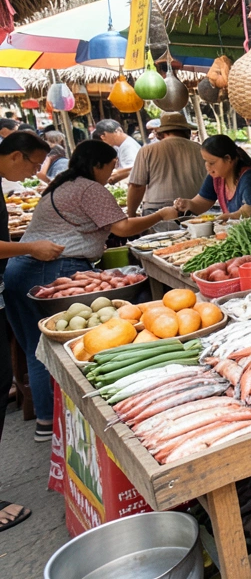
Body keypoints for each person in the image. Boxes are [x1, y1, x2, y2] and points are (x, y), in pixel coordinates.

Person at [4, 141, 177, 442]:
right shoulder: (87, 188)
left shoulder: (63, 185)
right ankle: (69, 423)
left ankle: (48, 423)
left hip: (20, 270)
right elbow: (122, 229)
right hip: (53, 269)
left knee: (39, 347)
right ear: (97, 165)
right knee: (62, 349)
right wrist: (160, 215)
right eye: (110, 168)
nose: (111, 175)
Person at [0, 132, 64, 493]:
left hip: (7, 281)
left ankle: (46, 424)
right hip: (18, 272)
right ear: (15, 157)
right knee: (36, 351)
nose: (34, 173)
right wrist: (30, 247)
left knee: (27, 352)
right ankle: (49, 422)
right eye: (33, 164)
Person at [125, 113, 208, 221]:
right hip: (194, 207)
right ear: (187, 132)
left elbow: (137, 186)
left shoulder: (147, 150)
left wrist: (131, 216)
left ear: (160, 133)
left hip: (157, 209)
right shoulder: (201, 149)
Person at [173, 135, 251, 220]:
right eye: (206, 161)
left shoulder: (250, 178)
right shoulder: (216, 177)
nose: (208, 167)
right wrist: (188, 204)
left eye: (212, 163)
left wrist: (228, 217)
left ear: (228, 158)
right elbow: (202, 202)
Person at [92, 119, 140, 184]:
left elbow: (134, 168)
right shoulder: (121, 146)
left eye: (103, 136)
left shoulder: (128, 146)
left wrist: (114, 174)